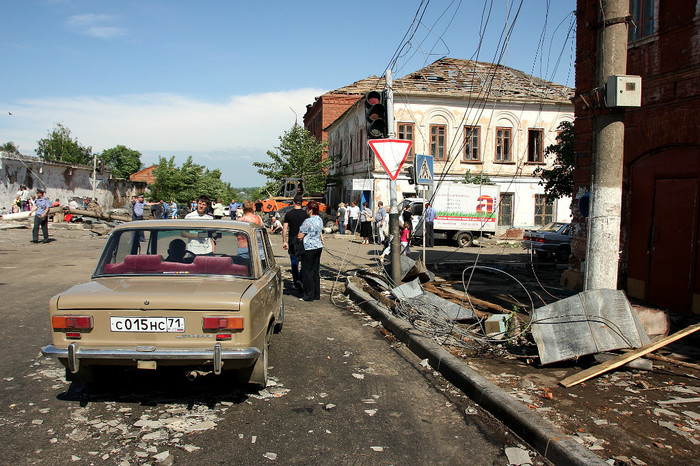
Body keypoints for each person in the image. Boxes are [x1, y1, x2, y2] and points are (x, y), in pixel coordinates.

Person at [297, 201, 324, 301]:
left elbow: (300, 235)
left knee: (307, 271)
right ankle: (316, 294)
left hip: (309, 247)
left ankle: (308, 295)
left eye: (307, 209)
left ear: (311, 210)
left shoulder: (308, 221)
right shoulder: (320, 219)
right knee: (315, 271)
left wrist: (299, 239)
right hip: (318, 246)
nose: (306, 211)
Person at [282, 194, 309, 292]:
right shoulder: (305, 215)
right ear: (302, 203)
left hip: (292, 240)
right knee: (304, 261)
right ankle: (301, 279)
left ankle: (295, 282)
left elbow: (284, 229)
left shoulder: (289, 214)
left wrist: (284, 241)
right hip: (304, 240)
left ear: (293, 203)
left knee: (294, 261)